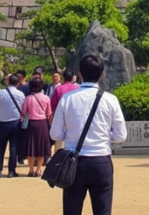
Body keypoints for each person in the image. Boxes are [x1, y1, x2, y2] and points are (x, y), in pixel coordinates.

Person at [50, 54, 127, 215]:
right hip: (101, 161)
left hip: (74, 161)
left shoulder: (67, 99)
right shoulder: (111, 100)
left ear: (80, 73)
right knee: (103, 211)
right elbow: (120, 136)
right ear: (102, 74)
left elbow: (55, 134)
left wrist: (71, 134)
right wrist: (105, 136)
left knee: (72, 210)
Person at [0, 73, 25, 178]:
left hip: (3, 123)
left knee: (1, 148)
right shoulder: (21, 94)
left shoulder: (1, 93)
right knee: (14, 148)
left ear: (8, 82)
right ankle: (11, 171)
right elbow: (23, 108)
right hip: (16, 123)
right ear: (18, 83)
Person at [20, 76, 52, 177]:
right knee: (41, 148)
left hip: (31, 124)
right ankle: (38, 170)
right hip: (42, 124)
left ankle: (31, 170)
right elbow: (49, 113)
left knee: (31, 148)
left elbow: (23, 113)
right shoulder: (46, 98)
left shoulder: (28, 98)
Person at [50, 69, 79, 151]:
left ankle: (59, 161)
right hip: (75, 117)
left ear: (63, 78)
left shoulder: (58, 89)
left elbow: (53, 105)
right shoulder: (77, 88)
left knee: (59, 142)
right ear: (72, 78)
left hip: (61, 117)